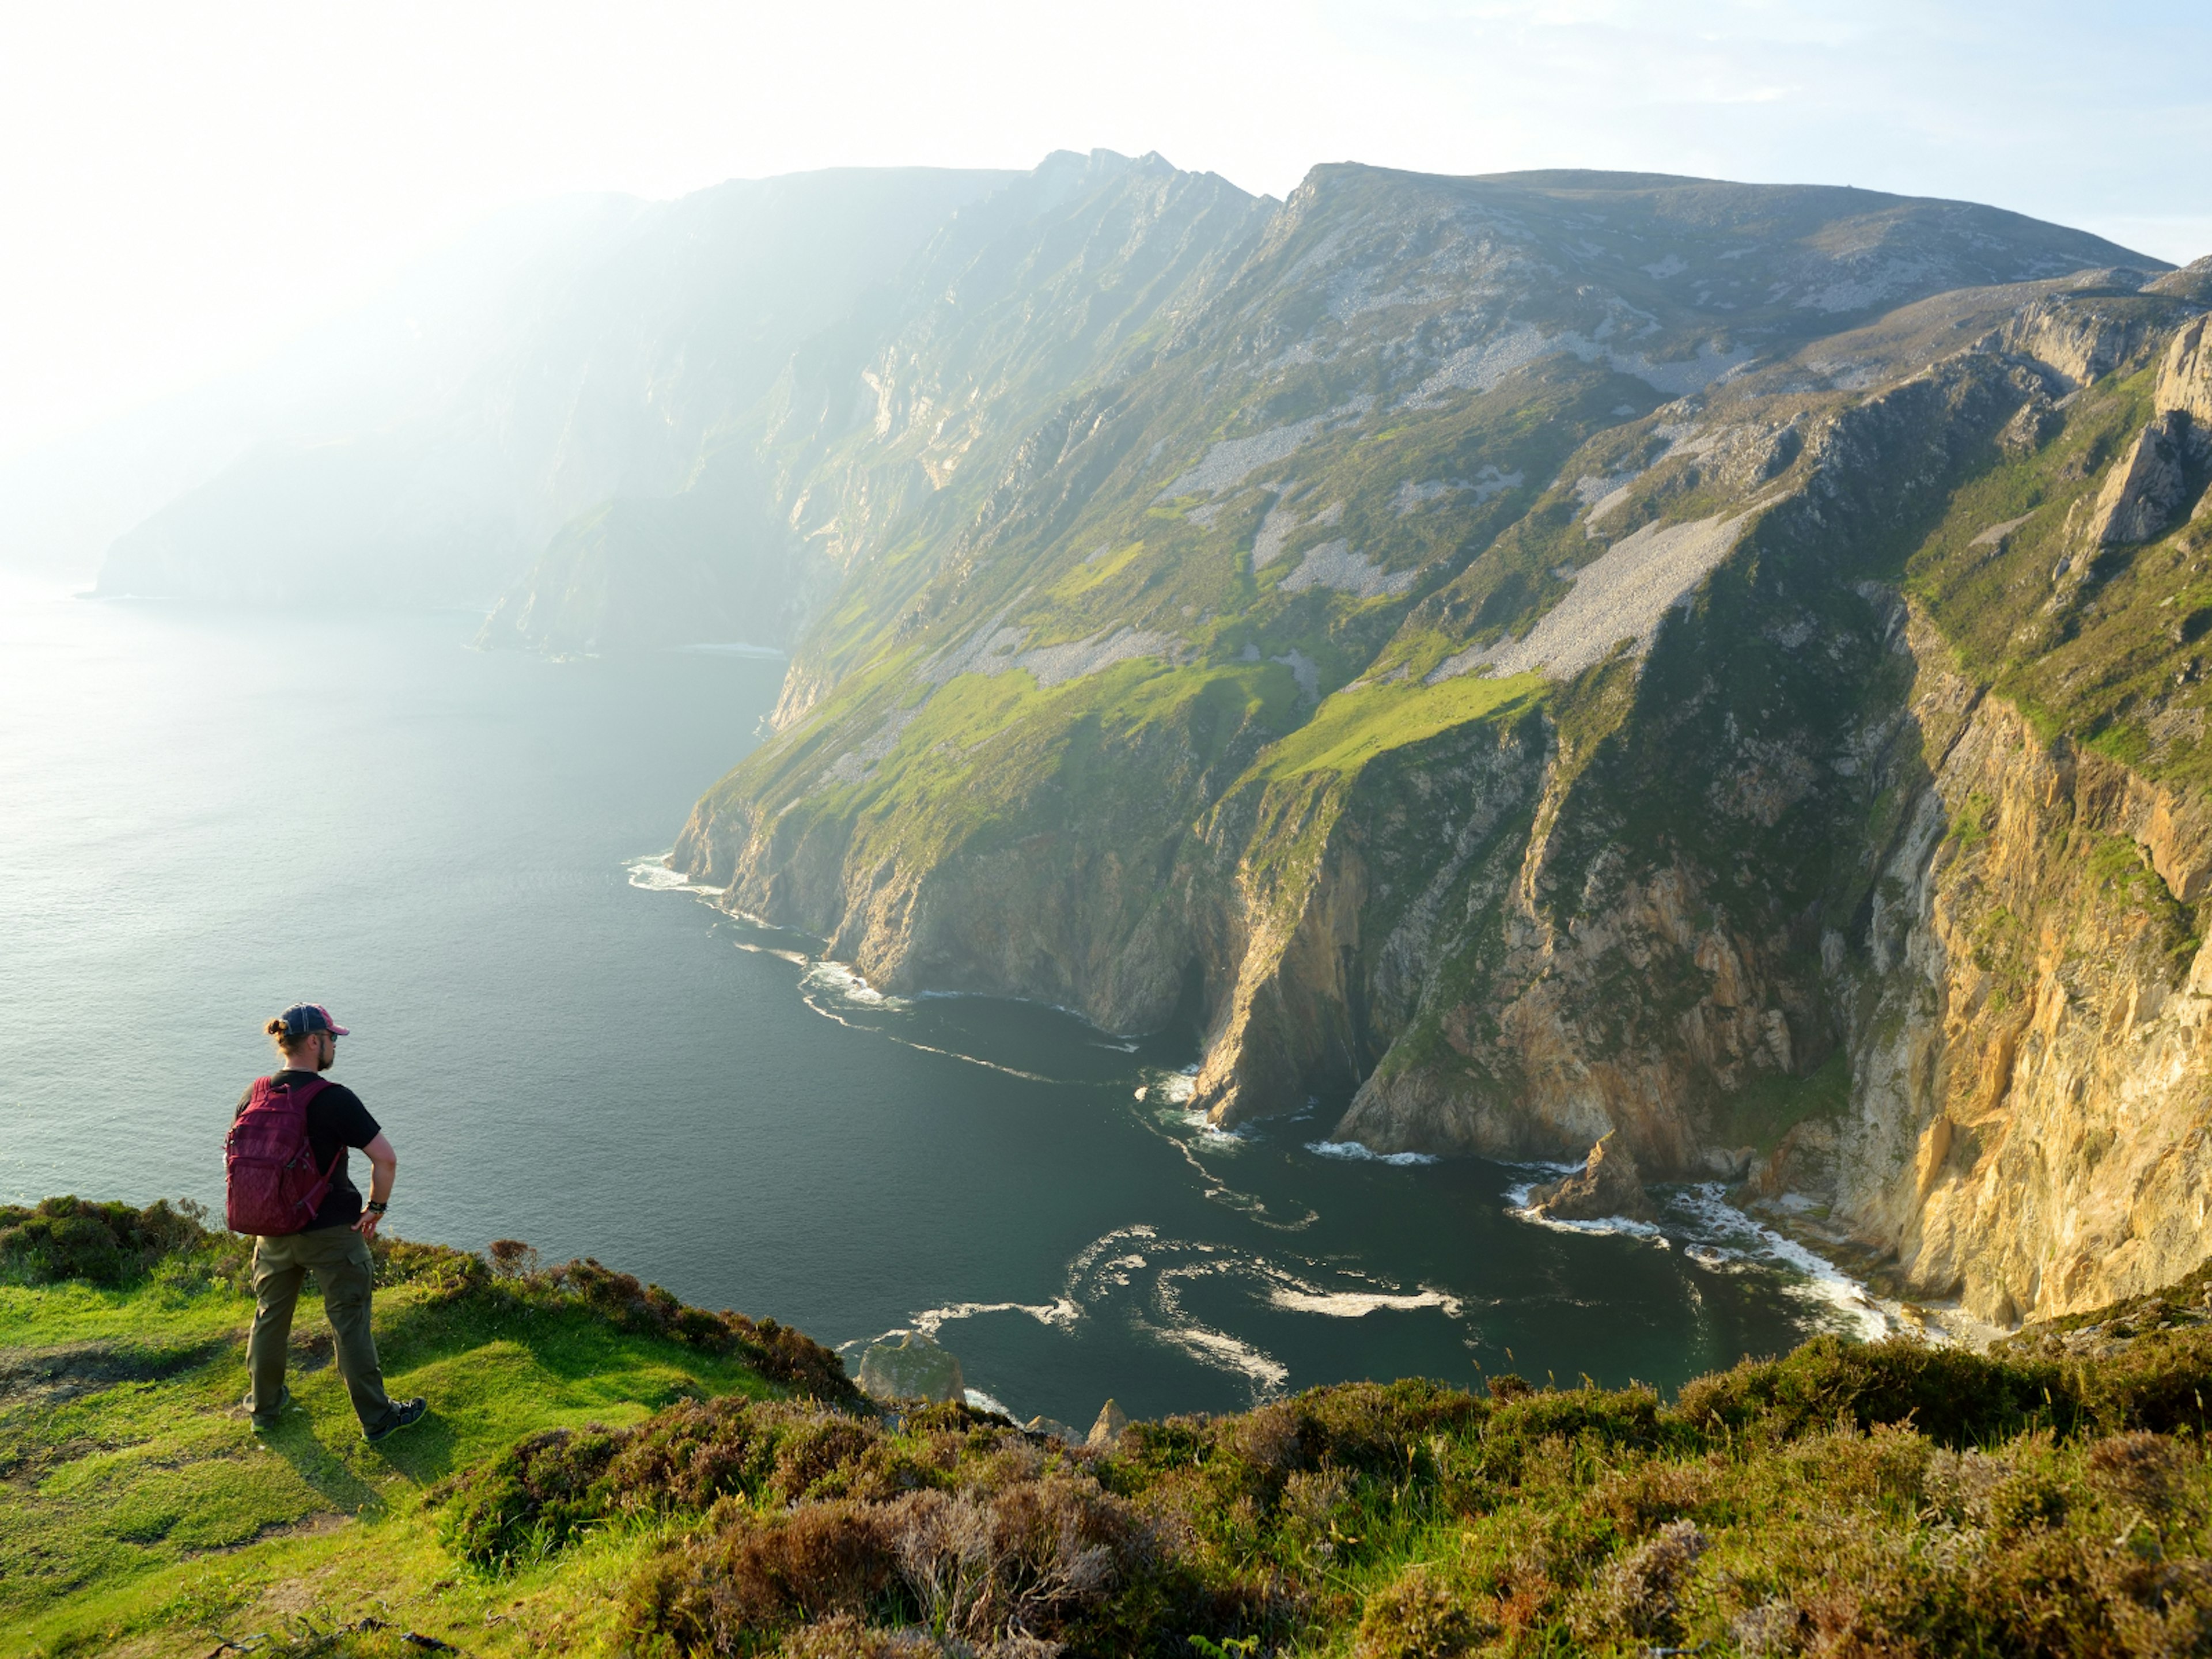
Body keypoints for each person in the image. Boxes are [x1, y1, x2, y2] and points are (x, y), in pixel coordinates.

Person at [237, 1002, 427, 1443]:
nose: (334, 1045)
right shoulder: (333, 1097)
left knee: (269, 1319)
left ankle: (264, 1409)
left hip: (273, 1231)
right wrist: (376, 1210)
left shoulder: (256, 1092)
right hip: (330, 1234)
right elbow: (386, 1159)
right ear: (314, 1042)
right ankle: (377, 1419)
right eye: (332, 1038)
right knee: (350, 1322)